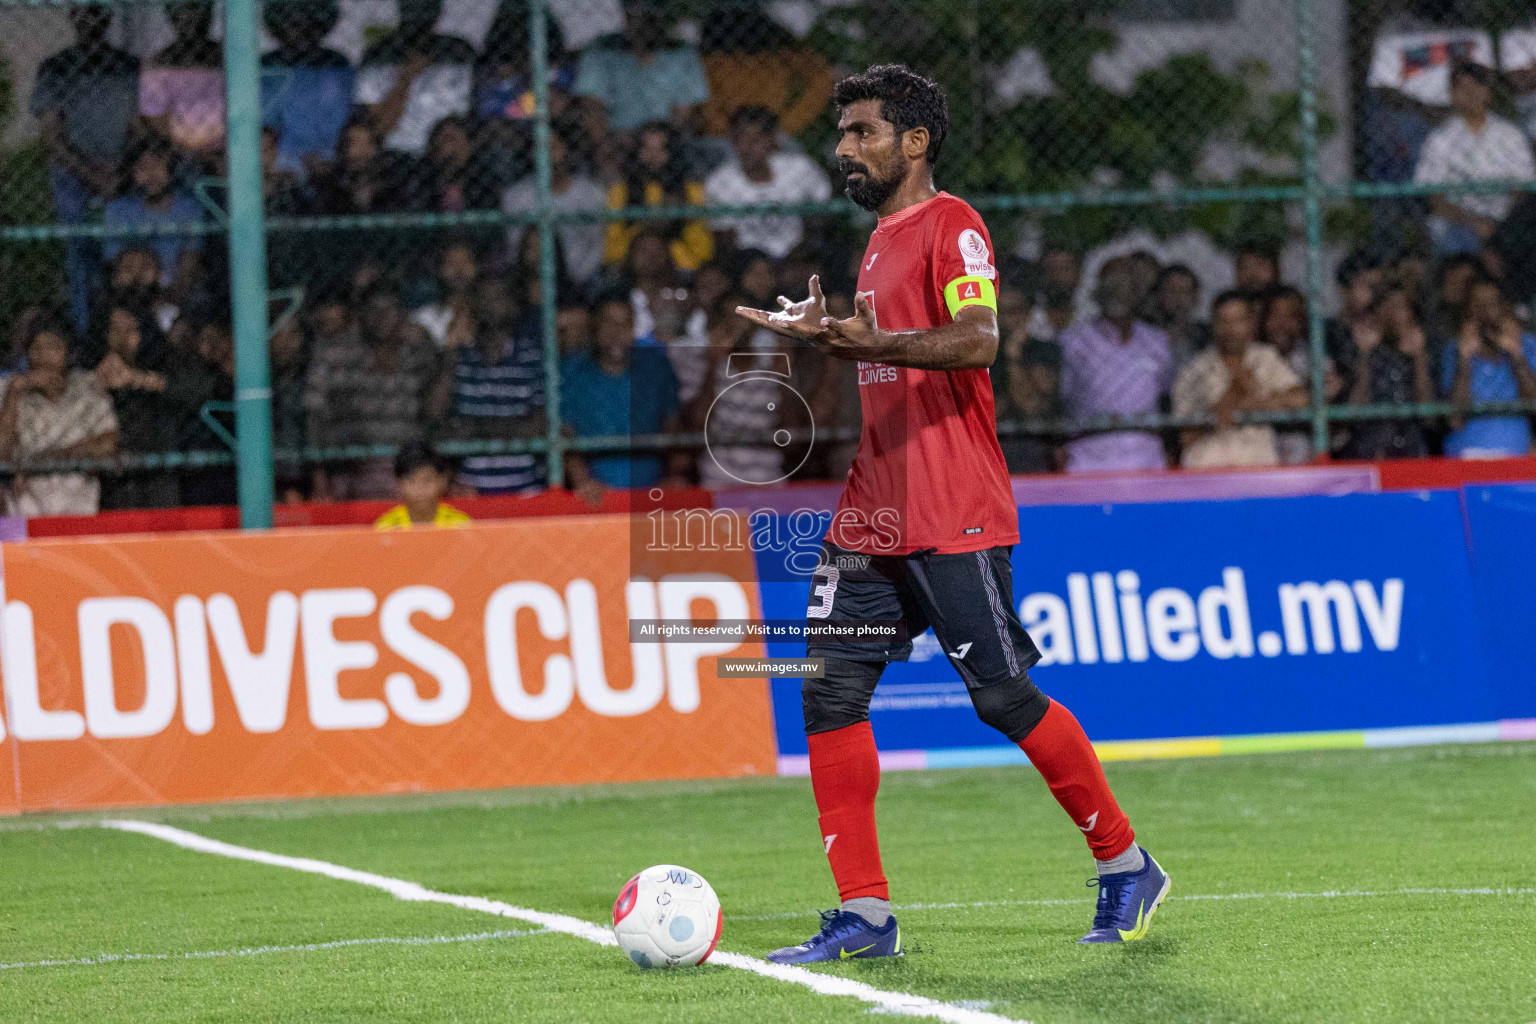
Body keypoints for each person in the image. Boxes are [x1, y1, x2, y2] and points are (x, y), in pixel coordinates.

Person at [736, 64, 1168, 960]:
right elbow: (881, 355)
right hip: (872, 509)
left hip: (951, 507)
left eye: (861, 131)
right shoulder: (879, 239)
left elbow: (981, 341)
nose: (844, 148)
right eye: (844, 133)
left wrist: (873, 338)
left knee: (1005, 697)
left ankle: (1125, 861)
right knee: (828, 693)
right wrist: (832, 339)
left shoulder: (953, 225)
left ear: (915, 141)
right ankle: (866, 915)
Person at [31, 5, 140, 333]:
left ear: (107, 18)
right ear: (73, 17)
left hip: (120, 171)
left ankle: (127, 331)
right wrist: (91, 172)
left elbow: (139, 126)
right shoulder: (55, 68)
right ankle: (85, 334)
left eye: (97, 12)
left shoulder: (128, 66)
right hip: (73, 175)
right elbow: (52, 137)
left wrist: (119, 170)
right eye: (83, 13)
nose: (90, 20)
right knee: (80, 256)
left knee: (125, 253)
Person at [304, 282, 441, 500]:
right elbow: (314, 418)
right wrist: (319, 477)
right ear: (362, 315)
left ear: (402, 315)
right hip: (352, 472)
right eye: (374, 310)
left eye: (389, 310)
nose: (382, 317)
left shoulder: (417, 354)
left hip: (411, 471)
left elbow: (437, 409)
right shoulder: (338, 355)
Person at [430, 276, 548, 494]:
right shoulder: (458, 359)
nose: (491, 304)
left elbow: (539, 427)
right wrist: (450, 350)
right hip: (468, 491)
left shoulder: (531, 357)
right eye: (484, 298)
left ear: (514, 305)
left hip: (525, 488)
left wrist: (474, 429)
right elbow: (435, 417)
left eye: (498, 297)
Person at [561, 290, 684, 499]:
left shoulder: (657, 368)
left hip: (654, 492)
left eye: (624, 323)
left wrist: (673, 476)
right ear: (595, 328)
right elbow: (565, 434)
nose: (616, 332)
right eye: (608, 323)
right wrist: (583, 481)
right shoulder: (573, 373)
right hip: (594, 495)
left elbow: (674, 427)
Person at [1058, 257, 1174, 473]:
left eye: (1125, 283)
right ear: (1097, 292)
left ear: (1137, 292)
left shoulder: (1158, 343)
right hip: (1088, 458)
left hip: (1146, 457)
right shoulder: (1073, 343)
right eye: (1110, 283)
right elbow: (1060, 400)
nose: (1117, 291)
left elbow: (1166, 396)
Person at [1172, 291, 1307, 468]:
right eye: (1224, 321)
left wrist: (1248, 405)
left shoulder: (1264, 358)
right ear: (1213, 324)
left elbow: (1301, 399)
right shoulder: (1194, 370)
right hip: (1207, 471)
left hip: (1258, 469)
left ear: (1251, 324)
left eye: (1238, 321)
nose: (1231, 329)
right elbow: (1187, 436)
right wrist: (1236, 392)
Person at [1415, 61, 1536, 255]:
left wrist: (1500, 223)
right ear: (1453, 94)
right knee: (1453, 238)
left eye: (1477, 86)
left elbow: (1522, 189)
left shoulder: (1511, 135)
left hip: (1506, 220)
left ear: (1488, 91)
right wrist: (1474, 223)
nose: (1471, 93)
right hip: (1458, 222)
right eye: (1463, 87)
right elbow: (1435, 198)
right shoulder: (1440, 139)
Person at [0, 320, 119, 516]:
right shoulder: (10, 388)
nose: (43, 357)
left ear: (68, 353)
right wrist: (14, 395)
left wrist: (47, 459)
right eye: (36, 348)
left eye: (53, 347)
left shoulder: (88, 387)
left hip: (80, 508)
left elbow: (108, 443)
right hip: (25, 510)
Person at [705, 105, 832, 260]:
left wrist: (803, 250)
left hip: (799, 252)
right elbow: (725, 240)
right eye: (740, 139)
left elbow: (823, 212)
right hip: (747, 259)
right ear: (732, 141)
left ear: (770, 141)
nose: (747, 148)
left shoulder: (799, 168)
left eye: (755, 140)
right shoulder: (719, 182)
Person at [574, 1, 708, 145]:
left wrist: (659, 143)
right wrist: (604, 145)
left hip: (665, 140)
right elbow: (593, 109)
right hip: (619, 139)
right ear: (625, 17)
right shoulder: (600, 52)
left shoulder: (682, 55)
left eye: (648, 18)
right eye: (635, 17)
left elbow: (683, 115)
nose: (641, 25)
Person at [353, 0, 476, 156]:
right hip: (392, 152)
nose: (419, 19)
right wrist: (407, 77)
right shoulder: (379, 54)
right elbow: (378, 125)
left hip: (443, 152)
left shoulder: (457, 50)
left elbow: (466, 118)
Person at [698, 3, 834, 138]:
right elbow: (817, 77)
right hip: (763, 44)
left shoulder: (719, 126)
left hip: (721, 47)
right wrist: (787, 55)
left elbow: (701, 82)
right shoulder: (789, 119)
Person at [1440, 275, 1536, 457]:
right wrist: (1464, 359)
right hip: (1466, 456)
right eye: (1477, 304)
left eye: (1492, 303)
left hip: (1516, 456)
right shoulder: (1454, 350)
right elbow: (1454, 420)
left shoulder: (1528, 345)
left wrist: (1517, 355)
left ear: (1504, 308)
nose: (1484, 310)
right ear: (1467, 312)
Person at [260, 0, 355, 179]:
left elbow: (346, 116)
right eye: (291, 21)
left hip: (329, 156)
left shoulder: (336, 62)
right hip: (279, 158)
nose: (299, 28)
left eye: (306, 21)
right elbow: (265, 121)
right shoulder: (266, 64)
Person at [502, 125, 606, 286]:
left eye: (552, 147)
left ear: (566, 149)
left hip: (582, 281)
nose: (547, 155)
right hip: (530, 280)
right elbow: (516, 249)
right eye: (539, 148)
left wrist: (575, 280)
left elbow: (596, 245)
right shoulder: (516, 196)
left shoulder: (591, 193)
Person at [603, 121, 712, 273]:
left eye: (660, 150)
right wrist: (644, 228)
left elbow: (700, 252)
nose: (653, 157)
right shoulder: (620, 192)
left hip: (680, 268)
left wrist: (668, 242)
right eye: (647, 150)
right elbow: (612, 252)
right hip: (632, 269)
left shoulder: (691, 192)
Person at [1341, 285, 1436, 460]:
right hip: (1373, 445)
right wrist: (1364, 355)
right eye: (1387, 305)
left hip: (1413, 445)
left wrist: (1420, 357)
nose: (1392, 312)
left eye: (1400, 306)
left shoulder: (1423, 351)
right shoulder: (1361, 349)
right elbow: (1354, 413)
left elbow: (1430, 416)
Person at [102, 138, 205, 288]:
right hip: (131, 289)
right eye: (143, 168)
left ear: (170, 168)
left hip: (174, 288)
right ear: (132, 173)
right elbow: (115, 264)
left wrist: (171, 299)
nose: (151, 175)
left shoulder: (189, 208)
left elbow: (190, 262)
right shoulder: (117, 210)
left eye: (156, 165)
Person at [1258, 285, 1344, 464]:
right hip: (1261, 462)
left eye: (1290, 316)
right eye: (1275, 315)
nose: (1281, 324)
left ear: (1301, 322)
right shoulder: (1253, 358)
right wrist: (1307, 391)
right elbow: (1253, 403)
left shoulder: (1315, 360)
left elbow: (1329, 416)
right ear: (1263, 321)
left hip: (1307, 460)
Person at [139, 0, 225, 167]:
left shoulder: (228, 57)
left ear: (208, 14)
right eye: (182, 12)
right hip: (178, 154)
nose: (191, 18)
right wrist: (184, 149)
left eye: (196, 10)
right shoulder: (159, 62)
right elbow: (153, 117)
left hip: (230, 150)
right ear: (171, 17)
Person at [374, 442, 471, 528]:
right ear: (399, 483)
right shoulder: (386, 528)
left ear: (443, 481)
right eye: (411, 480)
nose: (419, 488)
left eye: (427, 480)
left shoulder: (460, 525)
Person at [1146, 264, 1211, 370]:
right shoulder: (1143, 337)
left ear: (1195, 298)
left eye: (1185, 292)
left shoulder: (1207, 338)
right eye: (1172, 291)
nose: (1178, 298)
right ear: (1159, 295)